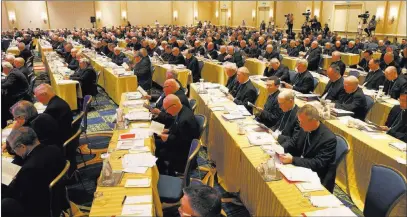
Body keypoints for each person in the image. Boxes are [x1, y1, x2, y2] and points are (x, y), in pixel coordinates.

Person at [3, 127, 67, 216]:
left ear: (22, 146)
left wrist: (12, 183)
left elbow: (22, 197)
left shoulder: (29, 169)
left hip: (41, 209)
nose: (15, 152)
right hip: (59, 200)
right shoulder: (54, 149)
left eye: (14, 149)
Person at [279, 104, 337, 192]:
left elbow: (318, 163)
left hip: (316, 175)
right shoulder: (305, 128)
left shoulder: (329, 138)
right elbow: (293, 142)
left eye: (302, 122)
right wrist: (279, 149)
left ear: (313, 121)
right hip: (301, 168)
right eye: (299, 122)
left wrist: (293, 160)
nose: (300, 125)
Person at [155, 94, 199, 174]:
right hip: (178, 142)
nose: (166, 112)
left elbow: (183, 142)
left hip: (182, 154)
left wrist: (168, 138)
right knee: (155, 142)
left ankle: (162, 172)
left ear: (174, 106)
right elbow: (177, 127)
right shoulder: (183, 109)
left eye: (166, 109)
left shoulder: (185, 120)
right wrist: (168, 130)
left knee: (156, 148)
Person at [1, 62, 30, 128]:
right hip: (21, 93)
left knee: (2, 101)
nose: (2, 71)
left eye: (2, 69)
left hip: (19, 96)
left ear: (5, 68)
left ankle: (5, 121)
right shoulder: (14, 71)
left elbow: (7, 84)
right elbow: (6, 81)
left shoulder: (13, 73)